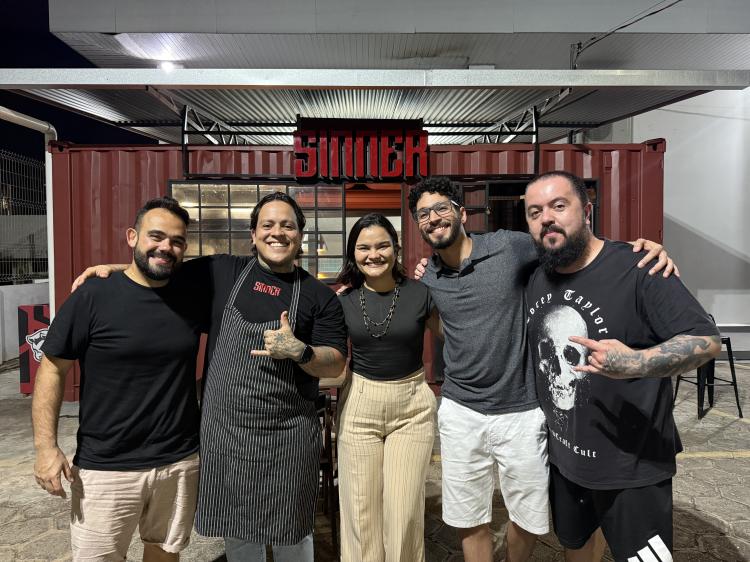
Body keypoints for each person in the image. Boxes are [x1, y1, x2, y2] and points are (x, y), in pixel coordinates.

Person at [408, 177, 674, 562]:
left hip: (521, 410)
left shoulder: (508, 247)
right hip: (460, 411)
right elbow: (442, 325)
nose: (433, 219)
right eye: (423, 215)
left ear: (461, 213)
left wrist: (636, 251)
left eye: (441, 208)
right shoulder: (428, 276)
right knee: (469, 517)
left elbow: (570, 243)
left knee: (530, 518)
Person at [73, 191, 348, 562]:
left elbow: (335, 364)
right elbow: (160, 268)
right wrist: (113, 269)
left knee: (292, 533)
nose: (277, 233)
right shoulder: (222, 272)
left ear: (300, 234)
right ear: (253, 234)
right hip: (227, 436)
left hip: (288, 438)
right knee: (238, 533)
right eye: (267, 225)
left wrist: (300, 351)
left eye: (287, 226)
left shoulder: (318, 296)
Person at [524, 171, 720, 562]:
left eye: (559, 206)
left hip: (632, 465)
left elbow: (706, 340)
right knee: (576, 545)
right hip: (566, 460)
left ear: (587, 211)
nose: (546, 218)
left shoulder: (640, 267)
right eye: (534, 212)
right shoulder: (537, 278)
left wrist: (637, 362)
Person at [33, 197, 204, 562]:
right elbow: (52, 368)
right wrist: (45, 447)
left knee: (165, 553)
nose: (166, 247)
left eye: (177, 241)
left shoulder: (191, 295)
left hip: (178, 461)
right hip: (106, 467)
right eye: (156, 236)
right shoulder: (93, 296)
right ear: (132, 236)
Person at [335, 213, 440, 562]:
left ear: (395, 248)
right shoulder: (344, 300)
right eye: (363, 248)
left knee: (403, 512)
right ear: (353, 254)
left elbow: (453, 337)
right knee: (360, 513)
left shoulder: (421, 293)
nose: (373, 254)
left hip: (412, 406)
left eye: (382, 245)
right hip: (359, 403)